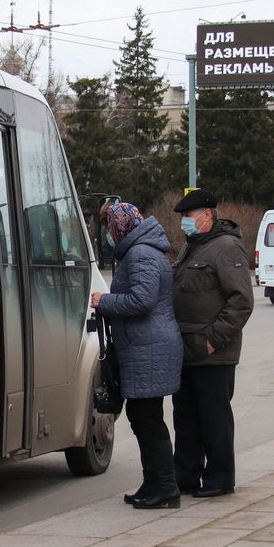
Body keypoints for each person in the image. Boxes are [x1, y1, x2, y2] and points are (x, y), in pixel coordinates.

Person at [91, 202, 183, 510]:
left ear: (121, 226)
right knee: (142, 417)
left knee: (148, 419)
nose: (108, 234)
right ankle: (153, 482)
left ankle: (166, 487)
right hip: (145, 348)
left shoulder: (141, 253)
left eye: (109, 227)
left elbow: (142, 300)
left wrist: (105, 301)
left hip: (150, 348)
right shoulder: (141, 250)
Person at [171, 189, 254, 498]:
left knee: (214, 418)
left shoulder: (226, 248)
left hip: (212, 352)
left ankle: (219, 479)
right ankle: (186, 476)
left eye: (188, 218)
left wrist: (212, 340)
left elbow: (241, 302)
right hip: (187, 350)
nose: (184, 223)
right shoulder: (192, 248)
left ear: (207, 216)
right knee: (186, 417)